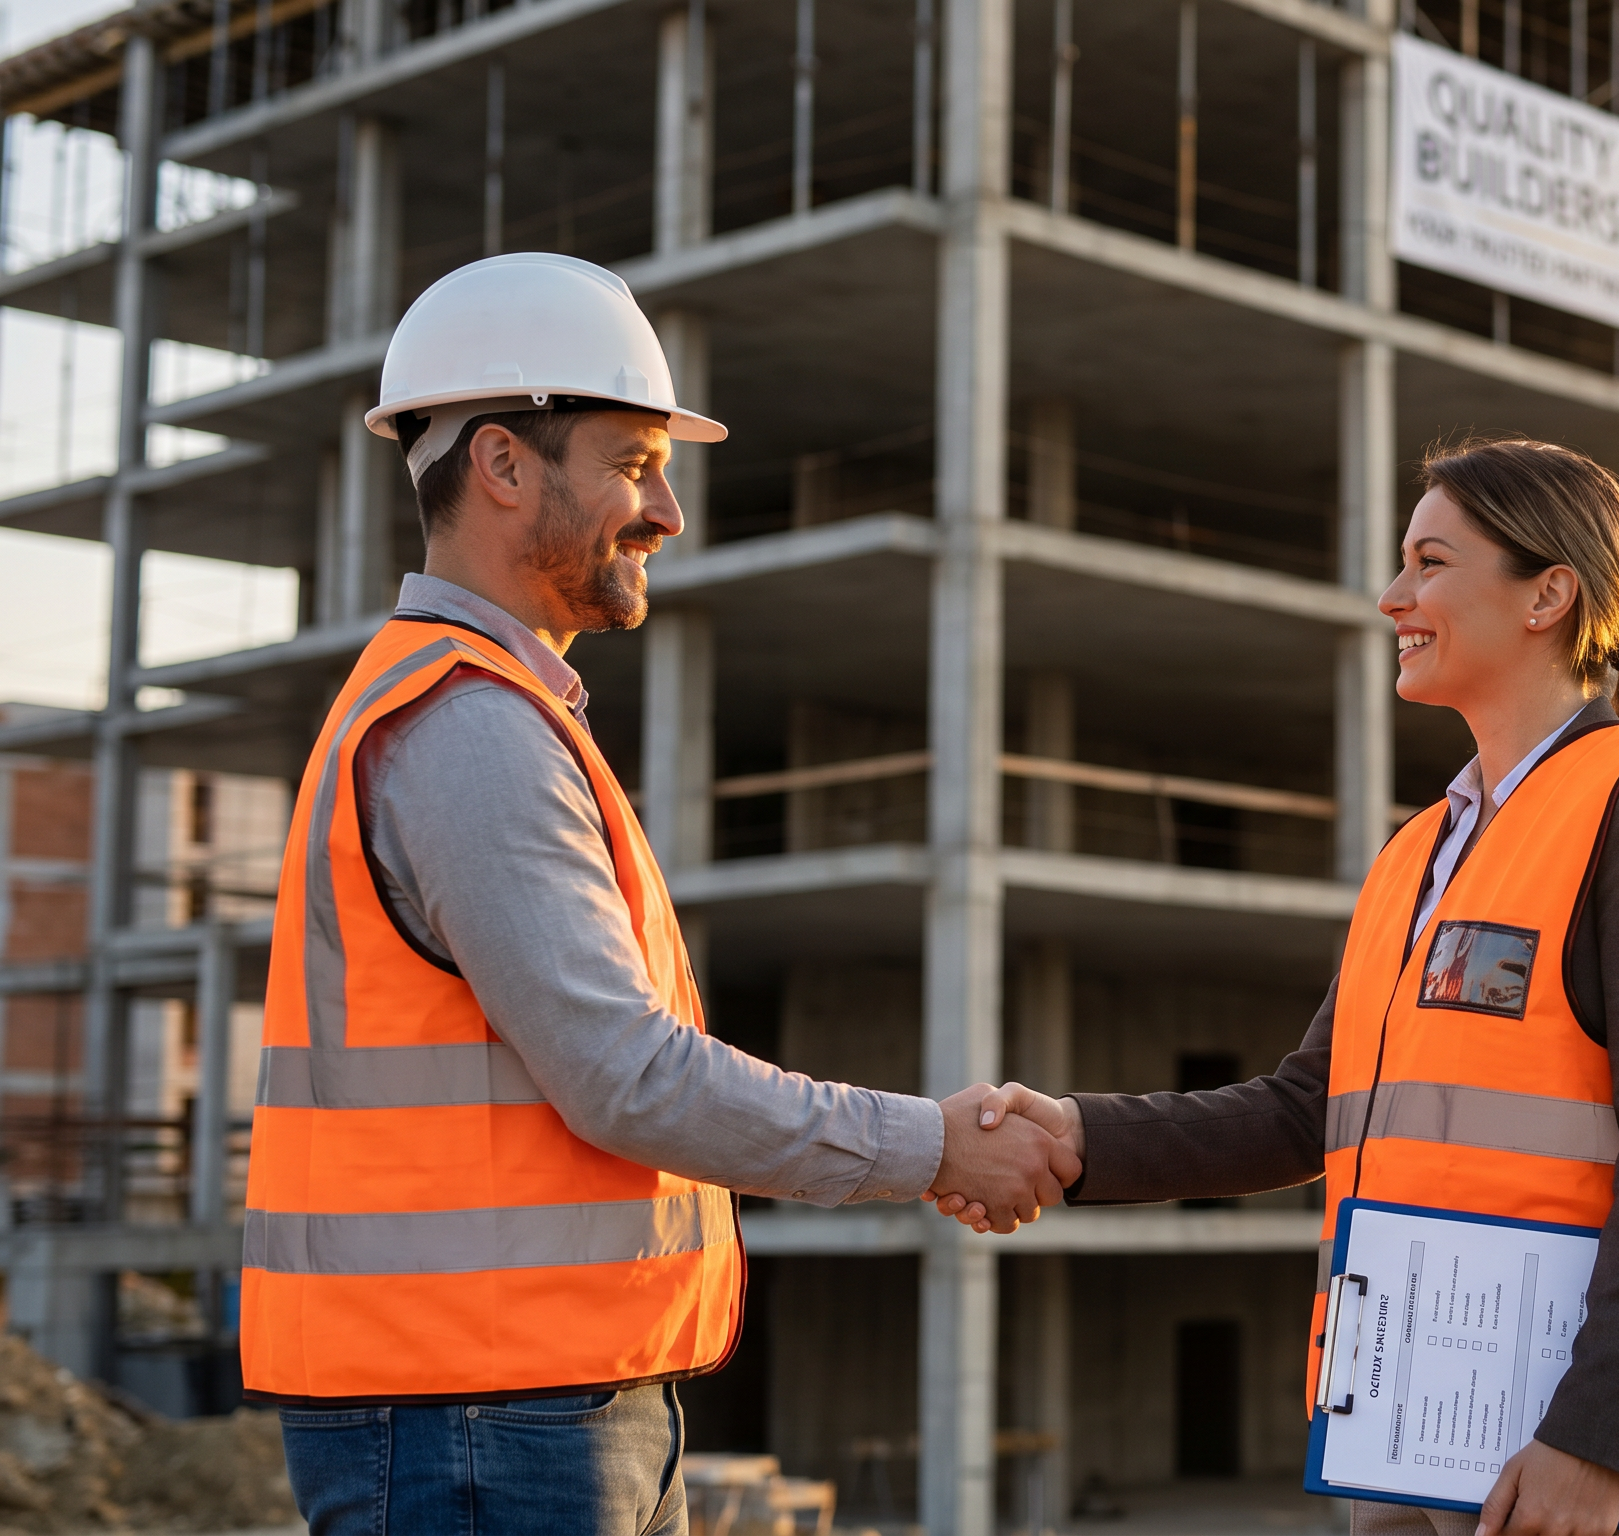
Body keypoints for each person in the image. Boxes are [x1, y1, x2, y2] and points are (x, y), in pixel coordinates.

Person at [244, 253, 1079, 1533]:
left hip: (521, 1402)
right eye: (634, 463)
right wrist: (933, 1145)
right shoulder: (468, 730)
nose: (667, 513)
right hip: (482, 1414)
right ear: (502, 465)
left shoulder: (491, 712)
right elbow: (625, 1075)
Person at [950, 437, 1619, 1536]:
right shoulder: (1416, 852)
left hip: (1558, 1442)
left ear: (1549, 596)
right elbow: (1307, 1107)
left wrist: (1598, 1436)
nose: (1392, 597)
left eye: (1430, 563)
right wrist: (1078, 1136)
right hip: (1397, 1420)